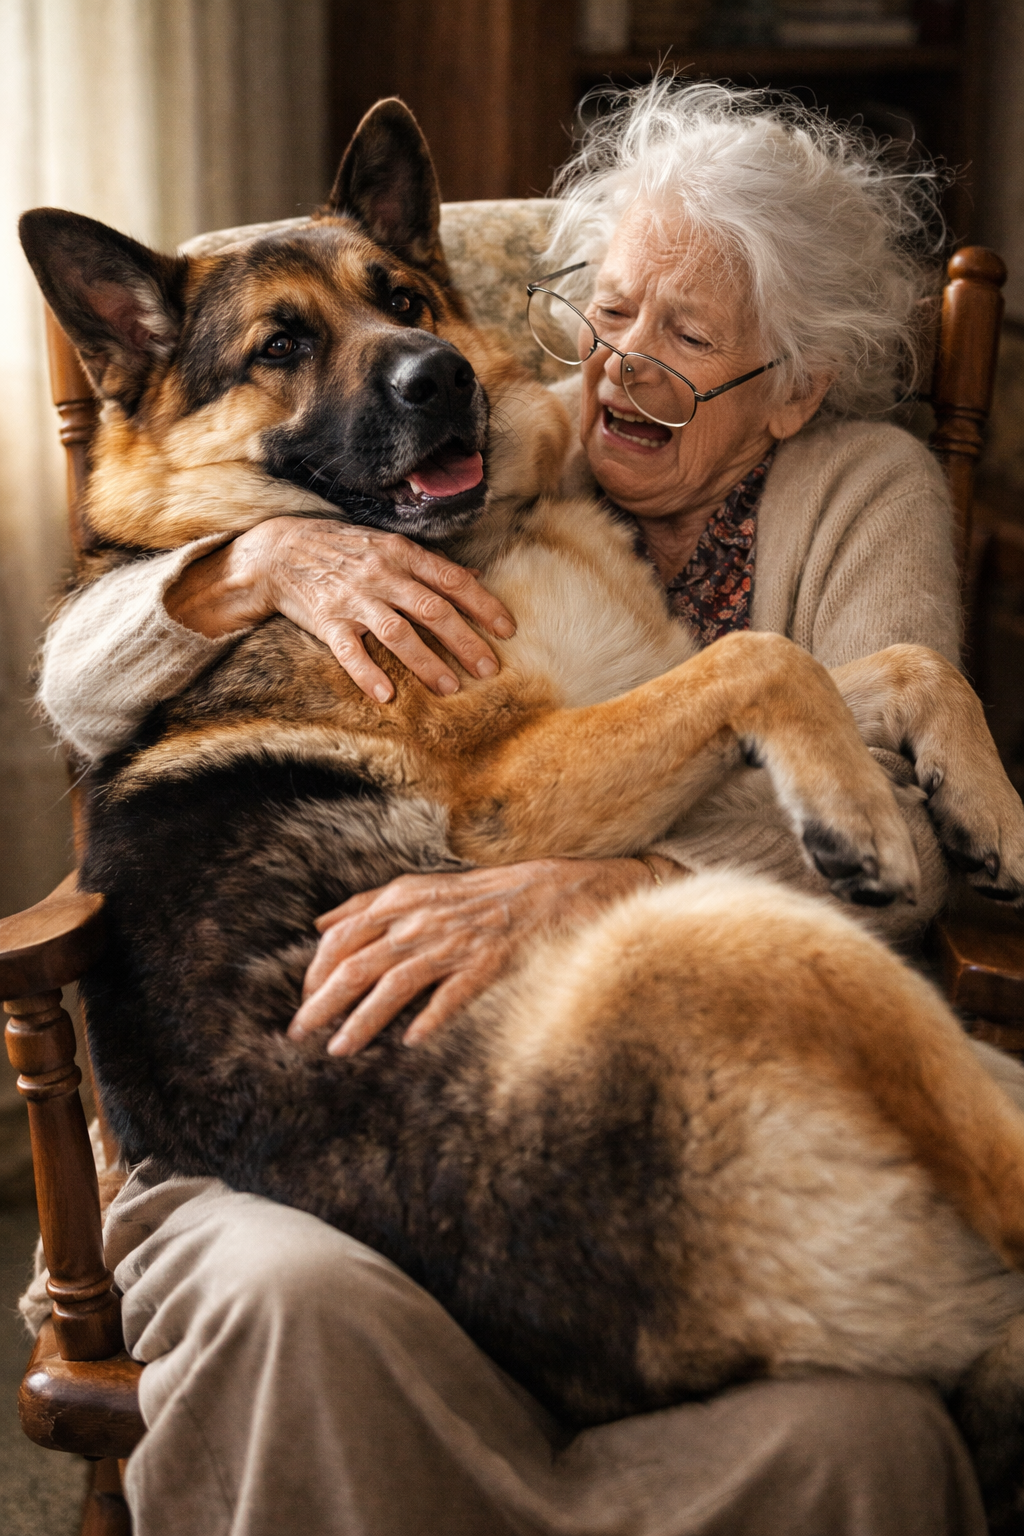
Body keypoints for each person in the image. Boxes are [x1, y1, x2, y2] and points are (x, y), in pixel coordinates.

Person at [31, 80, 1004, 1534]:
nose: (618, 367)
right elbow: (80, 684)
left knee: (856, 1428)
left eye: (687, 338)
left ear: (797, 385)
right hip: (318, 1090)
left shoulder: (841, 490)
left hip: (586, 1038)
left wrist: (613, 877)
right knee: (291, 1303)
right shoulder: (440, 469)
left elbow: (882, 835)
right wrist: (258, 566)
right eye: (606, 316)